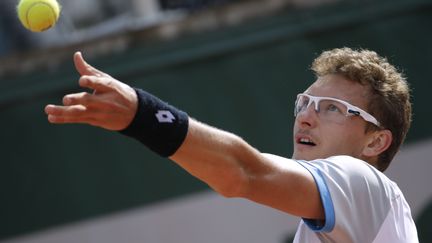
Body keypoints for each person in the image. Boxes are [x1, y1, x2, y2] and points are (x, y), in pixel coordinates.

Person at [44, 47, 419, 242]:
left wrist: (143, 115)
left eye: (333, 109)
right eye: (304, 103)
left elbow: (245, 173)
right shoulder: (340, 221)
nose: (305, 117)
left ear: (376, 141)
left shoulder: (363, 183)